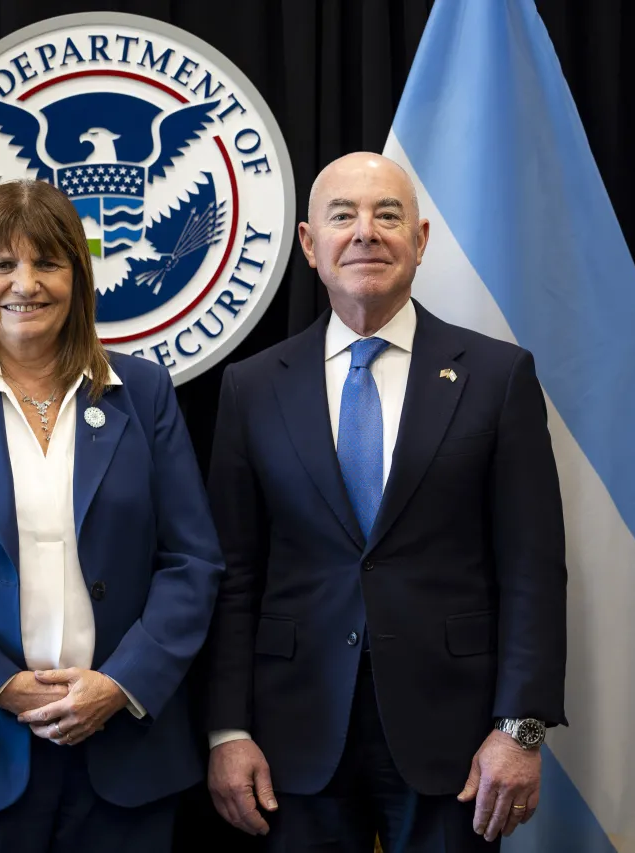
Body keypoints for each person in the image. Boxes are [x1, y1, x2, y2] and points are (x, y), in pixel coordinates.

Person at [204, 152, 567, 852]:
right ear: (310, 245)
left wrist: (520, 728)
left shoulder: (496, 376)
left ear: (422, 240)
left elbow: (532, 567)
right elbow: (234, 571)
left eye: (387, 215)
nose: (365, 232)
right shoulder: (252, 388)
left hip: (458, 739)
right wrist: (228, 728)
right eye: (343, 216)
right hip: (293, 736)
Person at [0, 179, 224, 852]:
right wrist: (0, 686)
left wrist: (121, 683)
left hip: (123, 754)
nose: (24, 283)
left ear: (77, 278)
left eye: (47, 263)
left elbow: (191, 561)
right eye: (3, 265)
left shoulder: (141, 393)